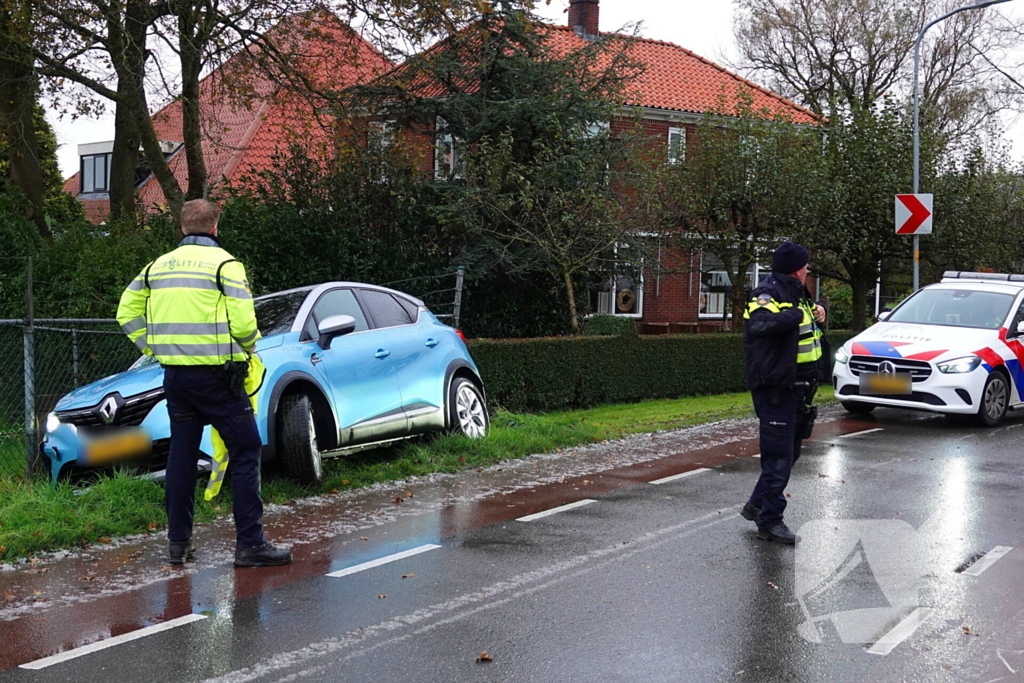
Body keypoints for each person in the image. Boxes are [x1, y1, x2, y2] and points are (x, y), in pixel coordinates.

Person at [116, 199, 291, 567]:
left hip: (176, 376)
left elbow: (126, 312)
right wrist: (247, 350)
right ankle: (250, 545)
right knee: (245, 450)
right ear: (214, 227)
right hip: (219, 377)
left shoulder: (155, 268)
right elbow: (244, 326)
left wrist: (155, 347)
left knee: (182, 454)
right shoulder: (226, 265)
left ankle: (178, 544)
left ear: (182, 228)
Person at [740, 241, 826, 545]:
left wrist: (819, 313)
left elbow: (804, 333)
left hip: (798, 388)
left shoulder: (797, 293)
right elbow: (761, 323)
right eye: (805, 266)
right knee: (778, 457)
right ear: (796, 268)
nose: (807, 270)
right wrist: (796, 315)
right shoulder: (767, 292)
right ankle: (770, 522)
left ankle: (757, 504)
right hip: (776, 388)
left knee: (790, 452)